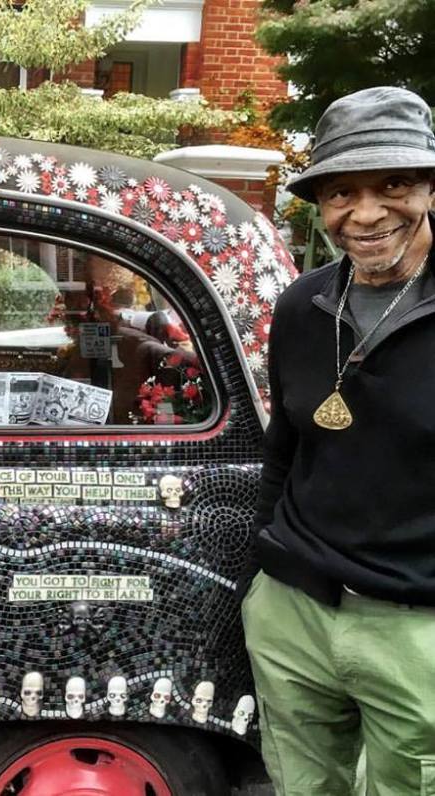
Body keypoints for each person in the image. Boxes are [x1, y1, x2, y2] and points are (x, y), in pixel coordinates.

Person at [242, 86, 435, 795]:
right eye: (341, 191)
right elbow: (287, 447)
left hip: (418, 633)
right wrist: (266, 573)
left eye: (393, 184)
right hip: (295, 613)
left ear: (429, 186)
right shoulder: (303, 304)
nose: (366, 212)